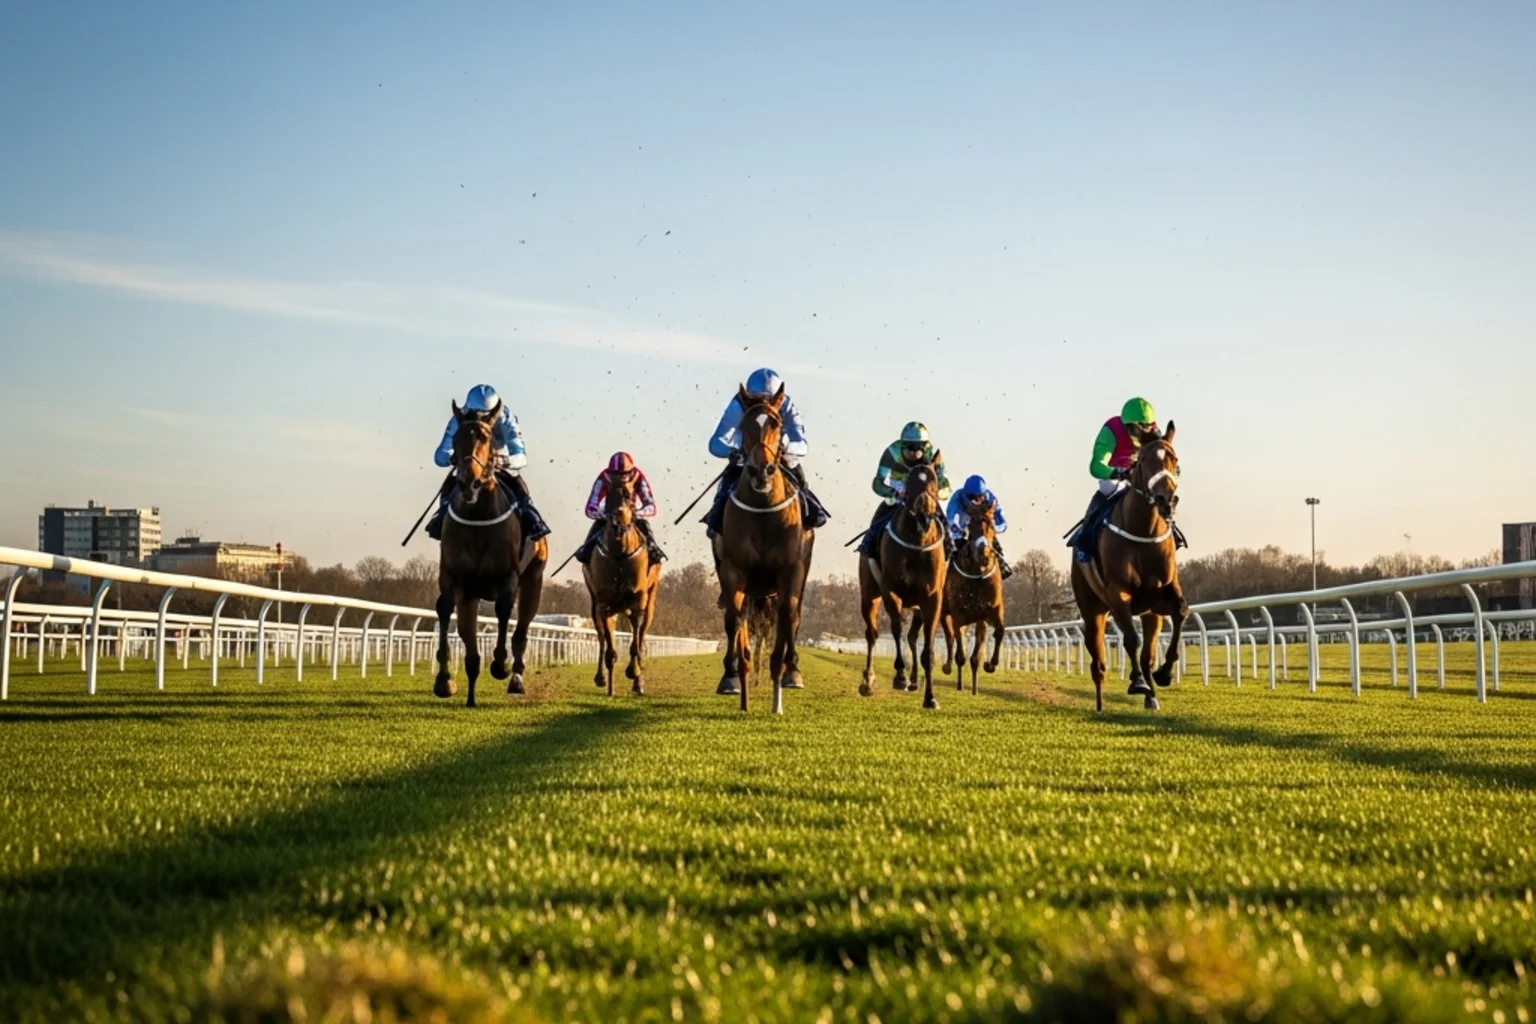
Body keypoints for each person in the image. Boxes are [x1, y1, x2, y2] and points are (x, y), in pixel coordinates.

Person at [701, 367, 829, 535]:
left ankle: (811, 508)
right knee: (726, 484)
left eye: (768, 399)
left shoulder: (786, 405)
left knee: (799, 481)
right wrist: (732, 451)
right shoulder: (738, 404)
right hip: (745, 457)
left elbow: (801, 444)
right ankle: (716, 518)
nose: (762, 404)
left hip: (779, 457)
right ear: (749, 396)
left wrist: (784, 450)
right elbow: (716, 443)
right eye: (756, 399)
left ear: (777, 398)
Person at [425, 384, 551, 544]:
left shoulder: (506, 419)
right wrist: (452, 458)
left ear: (494, 413)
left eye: (484, 416)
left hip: (500, 466)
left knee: (519, 487)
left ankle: (531, 518)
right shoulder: (459, 419)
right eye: (474, 414)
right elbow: (439, 455)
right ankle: (441, 515)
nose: (478, 419)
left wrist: (503, 461)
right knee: (450, 485)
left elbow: (521, 457)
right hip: (469, 467)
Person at [1070, 396, 1159, 562]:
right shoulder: (1112, 429)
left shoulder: (1155, 433)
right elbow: (1096, 465)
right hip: (1115, 475)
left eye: (1147, 427)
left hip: (1141, 476)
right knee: (1108, 489)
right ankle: (1085, 538)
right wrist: (1116, 473)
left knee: (1160, 496)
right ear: (1127, 425)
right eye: (1136, 429)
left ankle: (1171, 533)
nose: (1142, 433)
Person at [858, 421, 953, 562]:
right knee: (880, 517)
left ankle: (951, 550)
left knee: (944, 523)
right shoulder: (892, 452)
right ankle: (868, 546)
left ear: (925, 445)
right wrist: (894, 493)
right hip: (900, 486)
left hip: (924, 489)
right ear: (902, 445)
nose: (914, 452)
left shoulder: (932, 453)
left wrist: (935, 495)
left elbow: (945, 486)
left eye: (917, 448)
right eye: (909, 447)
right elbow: (877, 483)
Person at [575, 452, 666, 564]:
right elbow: (590, 508)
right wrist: (606, 516)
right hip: (608, 512)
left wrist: (634, 514)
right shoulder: (603, 478)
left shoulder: (638, 476)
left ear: (631, 471)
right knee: (597, 526)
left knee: (644, 525)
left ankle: (653, 550)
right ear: (611, 473)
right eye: (618, 474)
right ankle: (586, 551)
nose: (623, 477)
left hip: (632, 511)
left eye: (626, 473)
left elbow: (651, 506)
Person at [947, 474, 1012, 578]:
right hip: (963, 527)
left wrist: (995, 526)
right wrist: (958, 533)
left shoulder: (991, 500)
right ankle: (946, 570)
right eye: (973, 498)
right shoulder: (957, 499)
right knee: (951, 545)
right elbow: (951, 520)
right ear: (967, 496)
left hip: (982, 527)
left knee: (993, 542)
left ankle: (1001, 565)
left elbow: (1001, 522)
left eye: (980, 497)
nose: (977, 501)